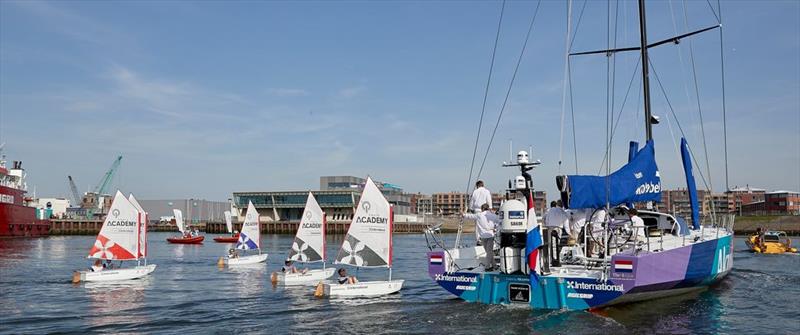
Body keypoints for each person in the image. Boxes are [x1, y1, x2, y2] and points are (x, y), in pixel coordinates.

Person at [463, 203, 500, 271]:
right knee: (489, 252)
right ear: (488, 208)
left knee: (488, 252)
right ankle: (493, 266)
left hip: (483, 237)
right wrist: (496, 229)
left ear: (482, 209)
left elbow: (470, 216)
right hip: (490, 236)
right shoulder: (493, 215)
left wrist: (463, 215)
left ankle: (488, 267)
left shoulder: (479, 215)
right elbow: (499, 222)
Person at [542, 200, 568, 270]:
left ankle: (550, 260)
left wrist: (546, 225)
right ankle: (555, 259)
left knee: (550, 244)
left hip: (549, 227)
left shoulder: (549, 210)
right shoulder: (561, 211)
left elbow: (545, 218)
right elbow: (565, 222)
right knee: (556, 245)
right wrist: (569, 232)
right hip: (557, 228)